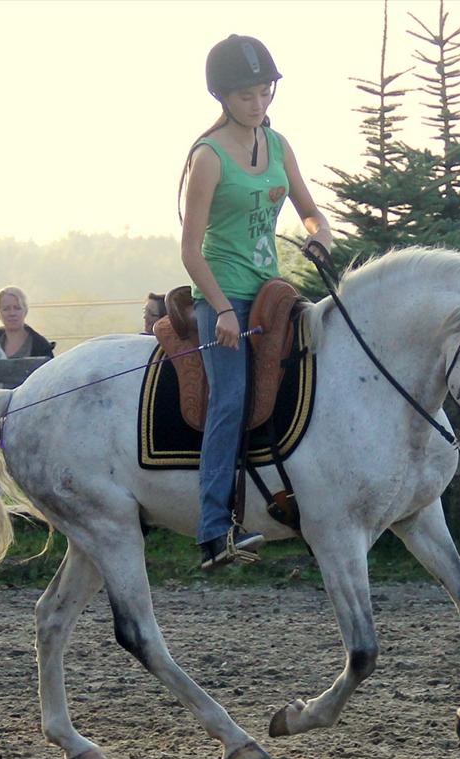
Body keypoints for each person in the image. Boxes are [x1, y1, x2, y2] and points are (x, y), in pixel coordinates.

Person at [179, 34, 332, 570]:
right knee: (231, 399)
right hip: (223, 297)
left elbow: (311, 211)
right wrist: (220, 309)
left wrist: (320, 233)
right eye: (247, 94)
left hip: (272, 293)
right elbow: (190, 250)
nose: (259, 102)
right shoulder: (209, 156)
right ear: (223, 96)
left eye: (265, 92)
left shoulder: (280, 145)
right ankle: (214, 530)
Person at [0, 285, 55, 359]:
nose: (12, 313)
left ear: (25, 311)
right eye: (6, 309)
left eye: (17, 308)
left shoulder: (41, 346)